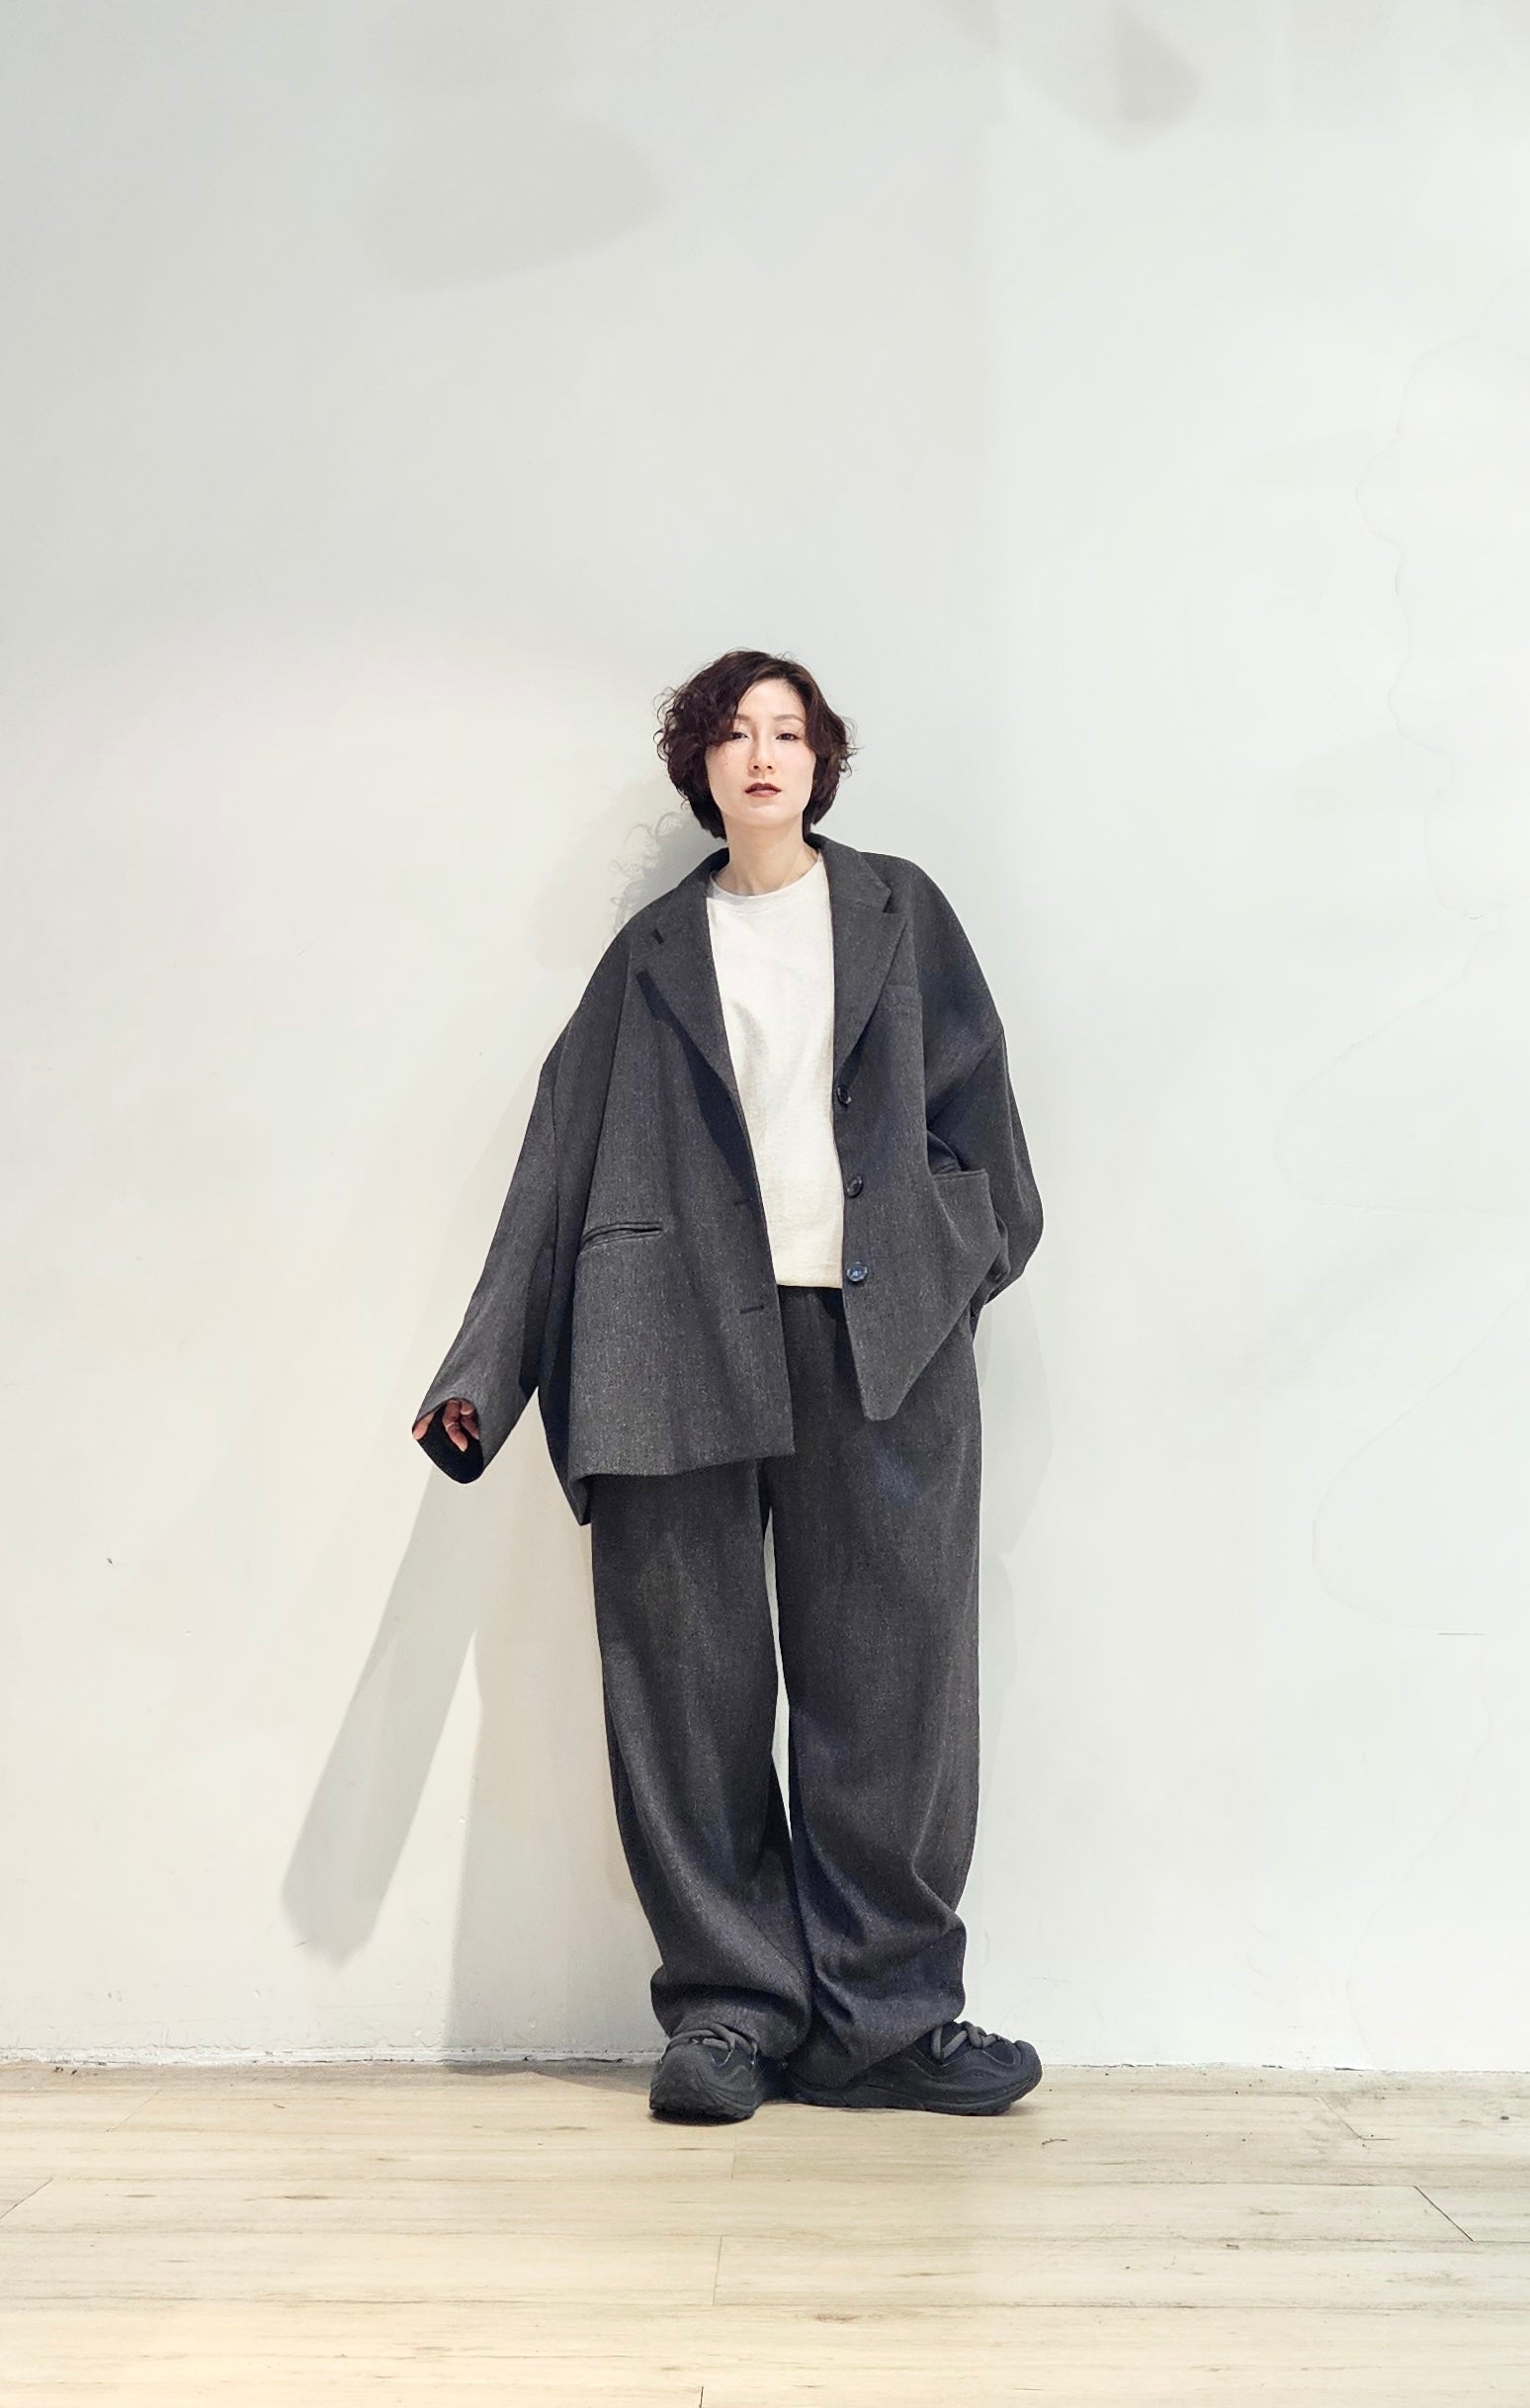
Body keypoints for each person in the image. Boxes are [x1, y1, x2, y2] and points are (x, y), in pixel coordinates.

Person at [412, 648, 1045, 2124]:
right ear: (701, 766)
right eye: (735, 733)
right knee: (685, 1690)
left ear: (821, 762)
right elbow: (558, 1159)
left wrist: (950, 1260)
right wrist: (482, 1375)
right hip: (673, 1344)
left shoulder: (901, 913)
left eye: (789, 732)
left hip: (879, 1351)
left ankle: (889, 2021)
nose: (763, 753)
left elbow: (983, 1126)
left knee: (895, 1687)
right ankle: (728, 2012)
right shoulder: (650, 956)